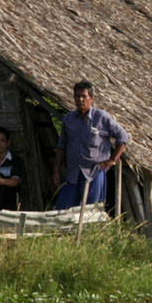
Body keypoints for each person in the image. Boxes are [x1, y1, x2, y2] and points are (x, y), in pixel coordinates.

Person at [53, 80, 130, 209]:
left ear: (91, 98)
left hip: (94, 172)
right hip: (73, 172)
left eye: (84, 96)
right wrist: (56, 171)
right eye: (77, 96)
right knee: (64, 208)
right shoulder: (69, 119)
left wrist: (113, 159)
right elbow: (61, 147)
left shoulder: (101, 118)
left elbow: (123, 136)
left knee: (91, 210)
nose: (80, 99)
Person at [0, 126, 26, 215]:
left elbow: (15, 181)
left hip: (9, 198)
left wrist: (1, 181)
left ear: (8, 143)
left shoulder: (16, 160)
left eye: (2, 141)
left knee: (2, 181)